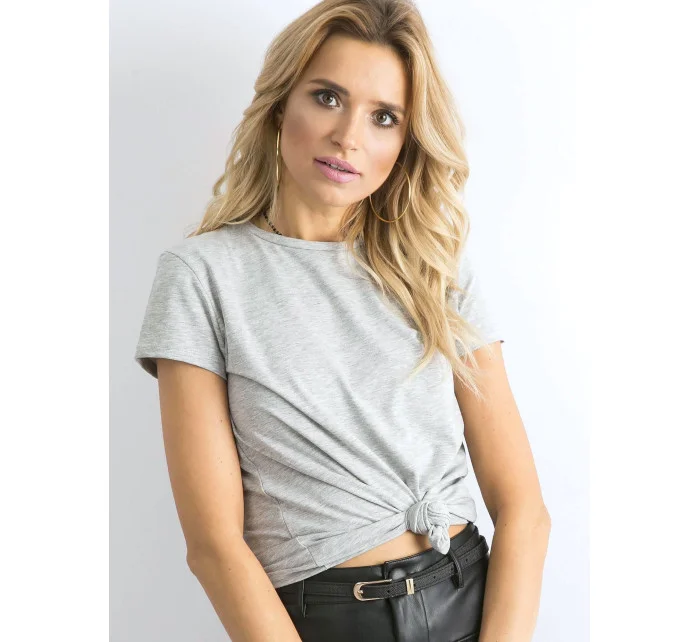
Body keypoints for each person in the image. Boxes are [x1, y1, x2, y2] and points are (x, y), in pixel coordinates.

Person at [133, 1, 551, 640]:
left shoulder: (435, 270)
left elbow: (523, 509)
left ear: (405, 141)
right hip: (324, 621)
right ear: (281, 105)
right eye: (328, 98)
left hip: (471, 603)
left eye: (384, 117)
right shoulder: (201, 276)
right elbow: (214, 546)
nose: (348, 137)